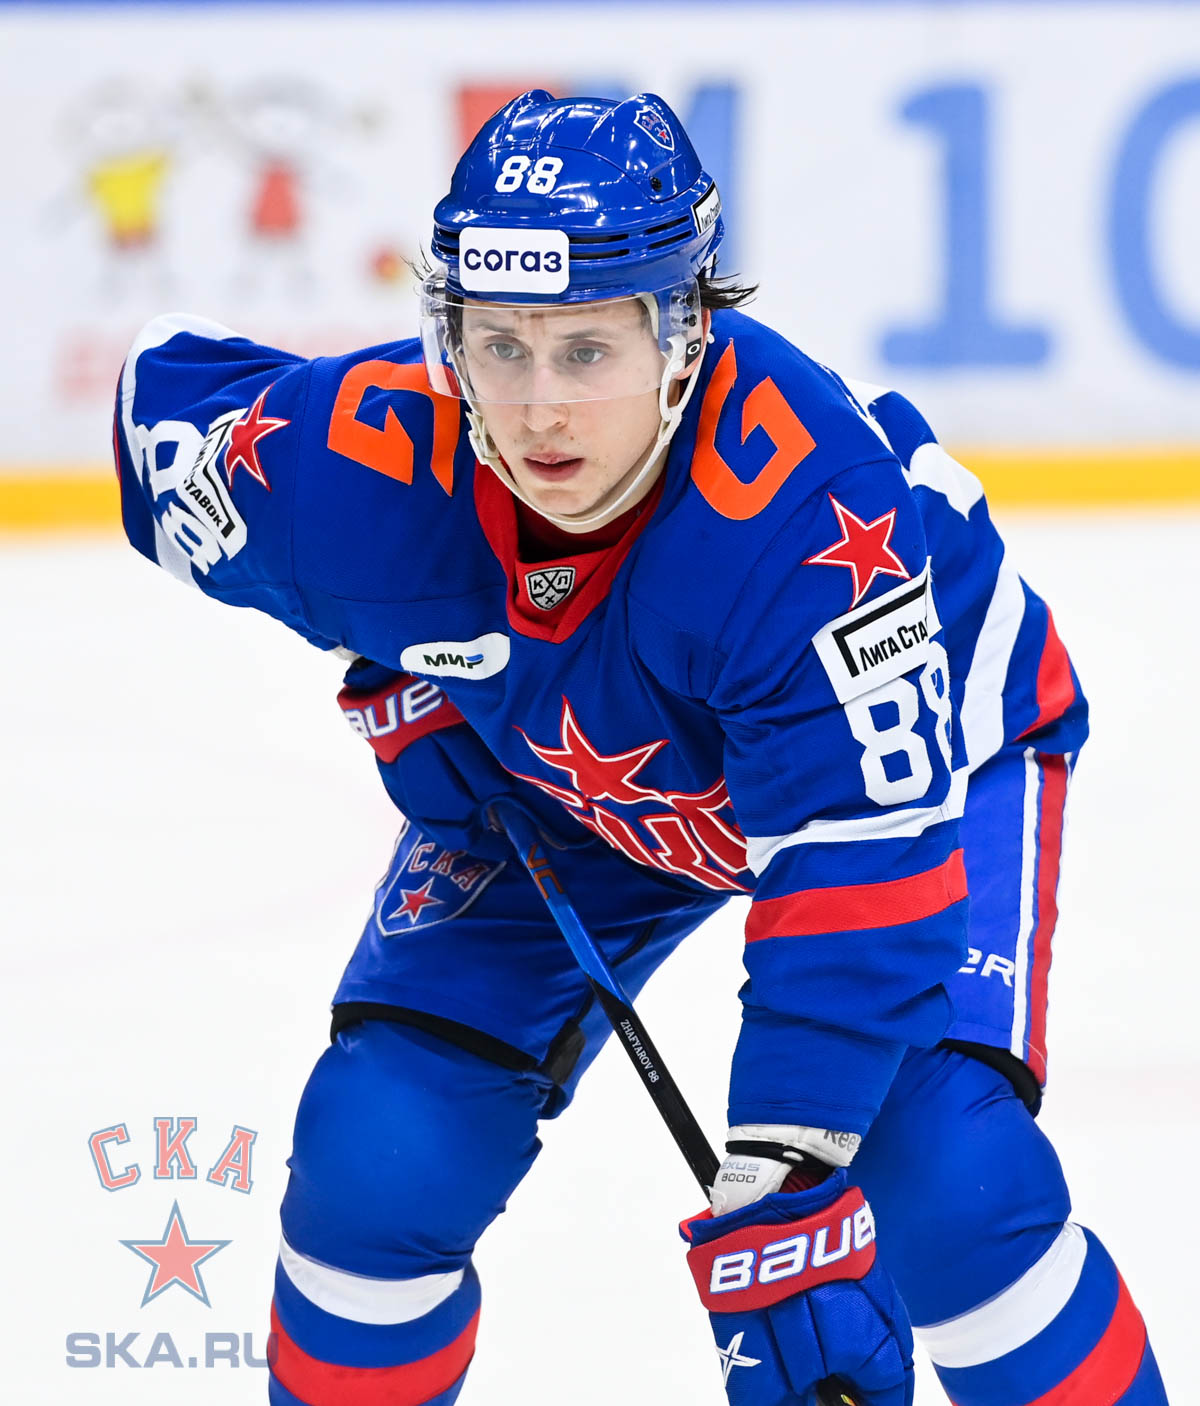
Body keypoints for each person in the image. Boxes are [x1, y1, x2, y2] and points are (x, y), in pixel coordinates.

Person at [113, 91, 1168, 1406]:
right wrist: (401, 646)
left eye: (588, 349)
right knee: (379, 1156)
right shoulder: (355, 467)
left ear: (682, 335)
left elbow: (862, 867)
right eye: (500, 345)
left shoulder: (798, 521)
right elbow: (160, 414)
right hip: (586, 787)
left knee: (947, 1181)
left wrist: (787, 1179)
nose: (539, 410)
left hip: (928, 764)